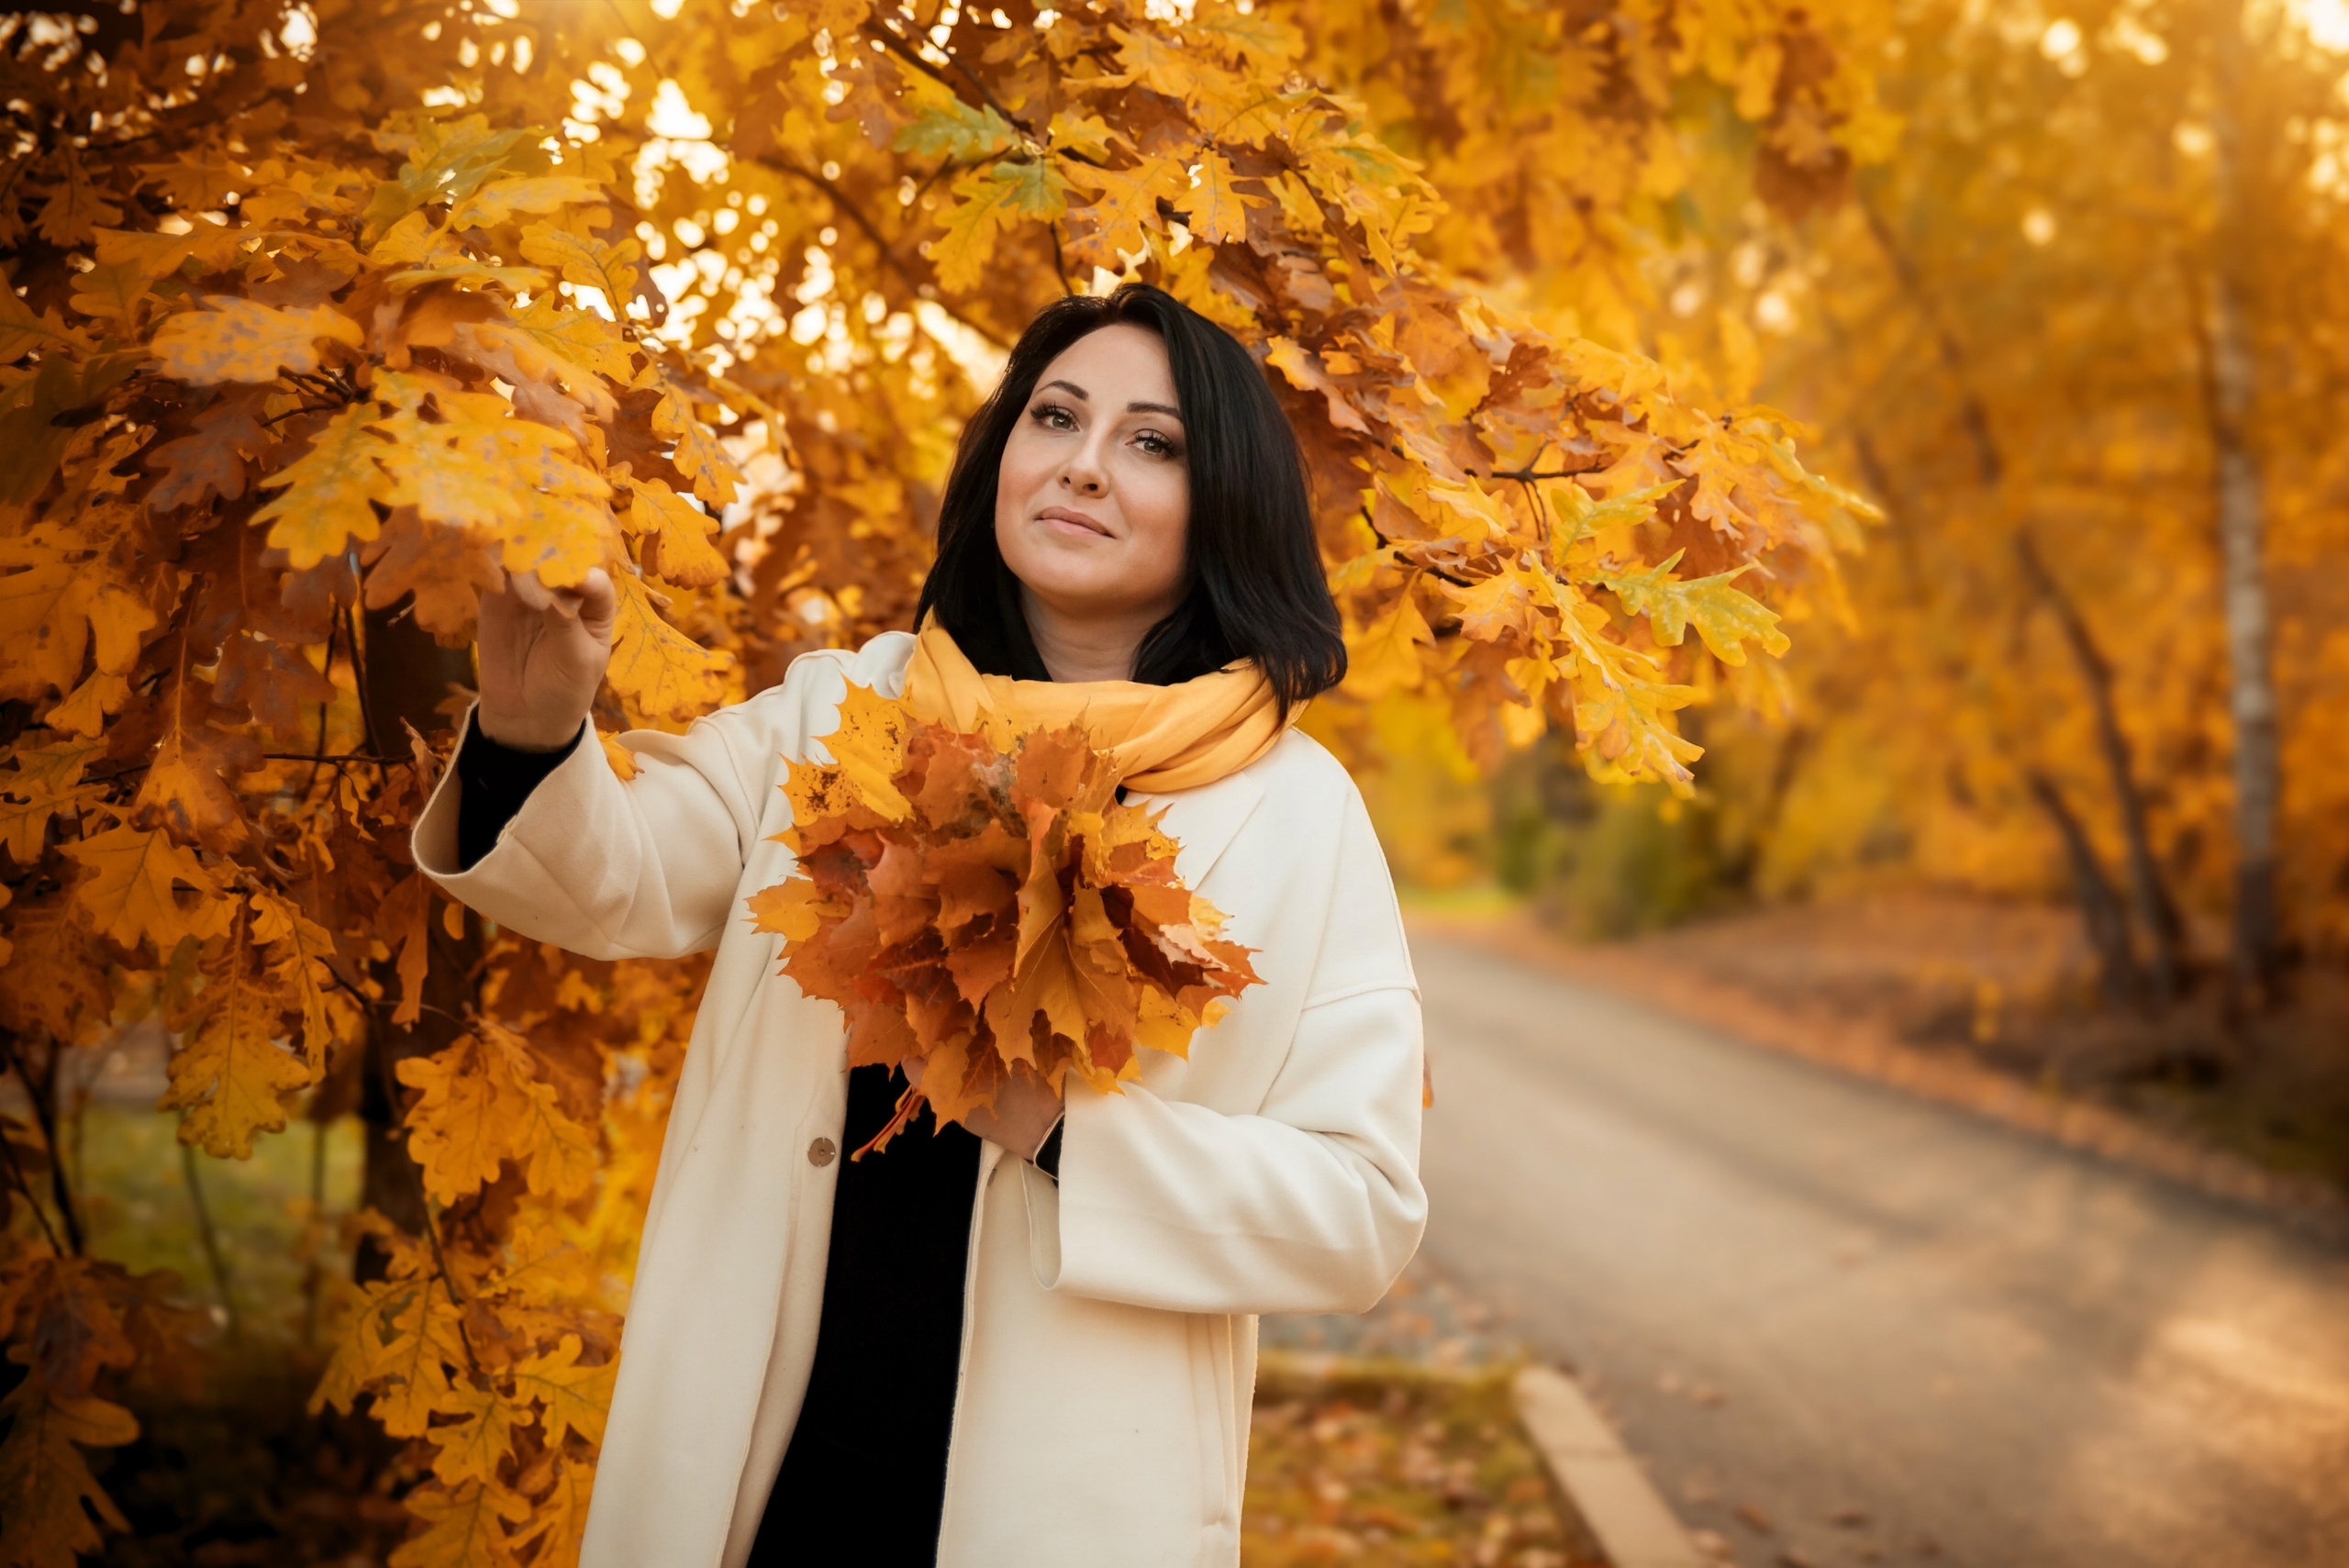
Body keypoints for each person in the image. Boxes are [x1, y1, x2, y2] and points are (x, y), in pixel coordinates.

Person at [412, 283, 1427, 1568]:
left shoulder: (1294, 813)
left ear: (1226, 502)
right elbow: (613, 879)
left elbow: (1362, 1212)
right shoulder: (840, 711)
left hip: (1061, 1514)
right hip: (769, 1480)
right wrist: (531, 725)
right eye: (1055, 416)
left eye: (1152, 441)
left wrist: (1064, 1132)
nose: (1084, 464)